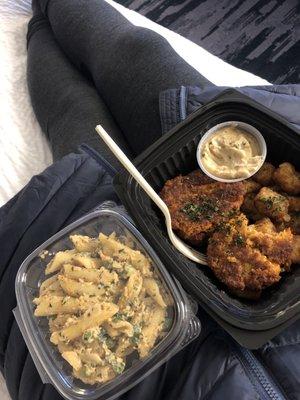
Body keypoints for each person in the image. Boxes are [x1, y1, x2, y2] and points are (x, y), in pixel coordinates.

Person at [0, 1, 299, 399]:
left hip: (158, 350)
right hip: (207, 148)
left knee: (74, 110)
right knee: (131, 52)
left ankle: (36, 22)